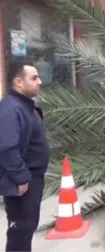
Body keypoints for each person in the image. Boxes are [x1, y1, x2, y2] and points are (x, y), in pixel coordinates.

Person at [0, 60, 49, 252]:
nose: (40, 82)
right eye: (34, 78)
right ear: (19, 82)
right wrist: (21, 178)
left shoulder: (24, 106)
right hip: (22, 182)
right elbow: (5, 148)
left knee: (26, 228)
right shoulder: (10, 110)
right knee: (20, 230)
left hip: (31, 179)